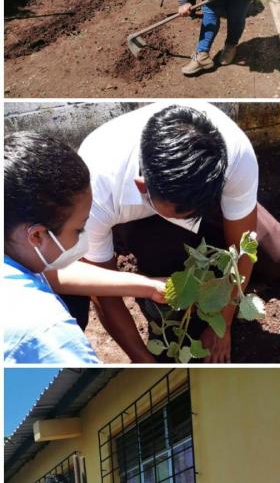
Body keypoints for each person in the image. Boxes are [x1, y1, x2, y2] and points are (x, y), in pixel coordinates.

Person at [75, 102, 280, 363]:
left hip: (198, 196)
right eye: (183, 215)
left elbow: (242, 249)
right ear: (142, 187)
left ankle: (203, 221)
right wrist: (144, 361)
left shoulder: (232, 151)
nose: (191, 221)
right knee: (174, 300)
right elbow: (101, 288)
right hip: (135, 218)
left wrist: (222, 322)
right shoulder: (95, 189)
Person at [3, 132, 167, 364]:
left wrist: (148, 287)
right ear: (37, 235)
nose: (84, 237)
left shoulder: (12, 242)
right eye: (79, 229)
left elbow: (52, 273)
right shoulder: (48, 333)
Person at [177, 0, 265, 75]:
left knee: (236, 12)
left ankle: (231, 45)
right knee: (210, 8)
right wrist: (184, 1)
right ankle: (202, 54)